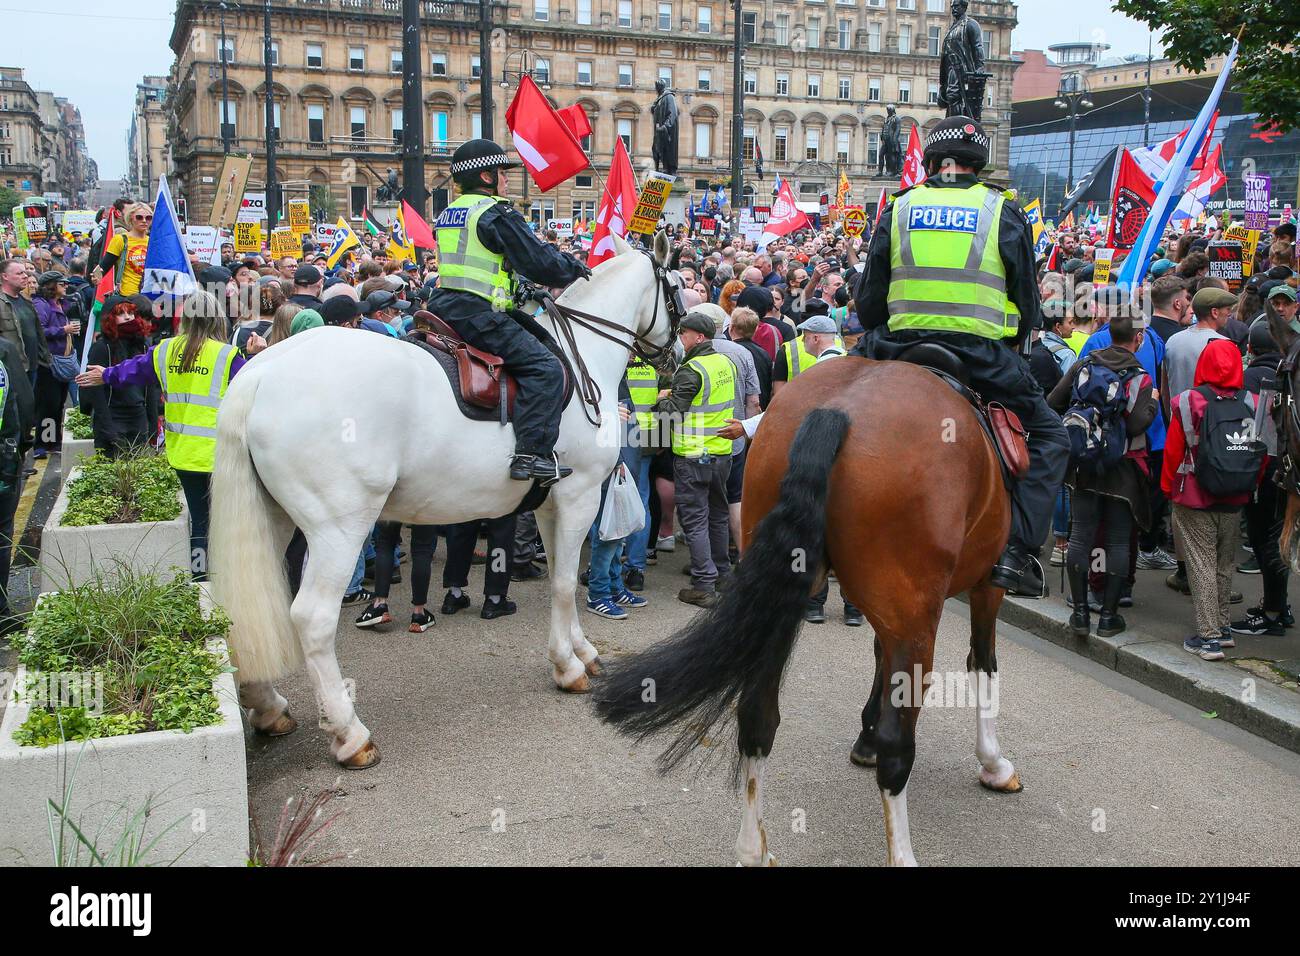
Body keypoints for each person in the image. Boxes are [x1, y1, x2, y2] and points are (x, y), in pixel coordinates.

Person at [852, 115, 1069, 596]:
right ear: (980, 165)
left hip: (896, 349)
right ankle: (1017, 554)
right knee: (1052, 437)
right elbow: (1030, 305)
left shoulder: (900, 207)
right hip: (980, 359)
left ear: (931, 161)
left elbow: (869, 303)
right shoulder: (1002, 211)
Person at [427, 139, 590, 485]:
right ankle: (531, 455)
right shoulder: (493, 212)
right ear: (485, 176)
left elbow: (487, 267)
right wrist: (573, 267)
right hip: (477, 313)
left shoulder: (451, 212)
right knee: (546, 368)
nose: (506, 180)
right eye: (502, 173)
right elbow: (540, 261)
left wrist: (522, 290)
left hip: (444, 304)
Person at [76, 290, 243, 581]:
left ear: (185, 318)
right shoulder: (228, 355)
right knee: (227, 520)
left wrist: (105, 374)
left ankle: (200, 578)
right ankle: (227, 574)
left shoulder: (165, 350)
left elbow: (134, 371)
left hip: (183, 455)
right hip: (223, 454)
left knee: (200, 522)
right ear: (218, 318)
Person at [1048, 315, 1157, 638]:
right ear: (1137, 338)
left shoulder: (1084, 366)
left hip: (1085, 465)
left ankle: (1080, 613)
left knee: (1081, 537)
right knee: (1118, 541)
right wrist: (1151, 405)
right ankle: (1109, 616)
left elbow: (1053, 401)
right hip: (1122, 468)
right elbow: (1137, 424)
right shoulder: (1140, 377)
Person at [1163, 339, 1259, 661]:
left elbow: (1173, 452)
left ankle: (1209, 639)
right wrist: (1249, 484)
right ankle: (1224, 627)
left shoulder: (1188, 402)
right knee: (1224, 562)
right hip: (1235, 494)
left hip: (1194, 494)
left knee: (1201, 563)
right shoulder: (1253, 402)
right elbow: (1264, 453)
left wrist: (1168, 489)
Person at [655, 310, 735, 608]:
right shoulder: (725, 362)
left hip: (693, 455)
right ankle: (722, 573)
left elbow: (673, 413)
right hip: (722, 453)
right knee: (718, 515)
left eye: (683, 334)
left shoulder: (692, 369)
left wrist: (662, 398)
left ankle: (703, 584)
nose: (680, 338)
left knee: (695, 520)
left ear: (698, 337)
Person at [1231, 320, 1289, 634]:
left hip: (1261, 469)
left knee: (1263, 538)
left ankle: (1271, 612)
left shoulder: (1247, 379)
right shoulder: (1290, 376)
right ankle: (1280, 605)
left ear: (1250, 348)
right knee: (1280, 537)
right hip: (1289, 469)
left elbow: (1246, 431)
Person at [78, 294, 156, 457]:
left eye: (130, 313)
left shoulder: (142, 345)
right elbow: (95, 392)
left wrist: (152, 422)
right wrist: (107, 428)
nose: (128, 317)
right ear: (110, 318)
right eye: (121, 313)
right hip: (113, 416)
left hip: (137, 416)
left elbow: (150, 387)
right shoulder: (101, 347)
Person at [31, 272, 78, 459]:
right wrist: (62, 330)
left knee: (58, 404)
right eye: (62, 283)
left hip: (62, 361)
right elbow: (40, 330)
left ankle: (54, 442)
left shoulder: (62, 304)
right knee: (48, 405)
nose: (66, 286)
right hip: (49, 363)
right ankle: (42, 444)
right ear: (51, 286)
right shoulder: (41, 305)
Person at [98, 203, 152, 296]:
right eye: (139, 217)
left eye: (148, 218)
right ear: (131, 218)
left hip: (150, 296)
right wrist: (96, 277)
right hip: (127, 298)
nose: (144, 221)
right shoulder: (120, 240)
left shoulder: (153, 241)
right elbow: (104, 266)